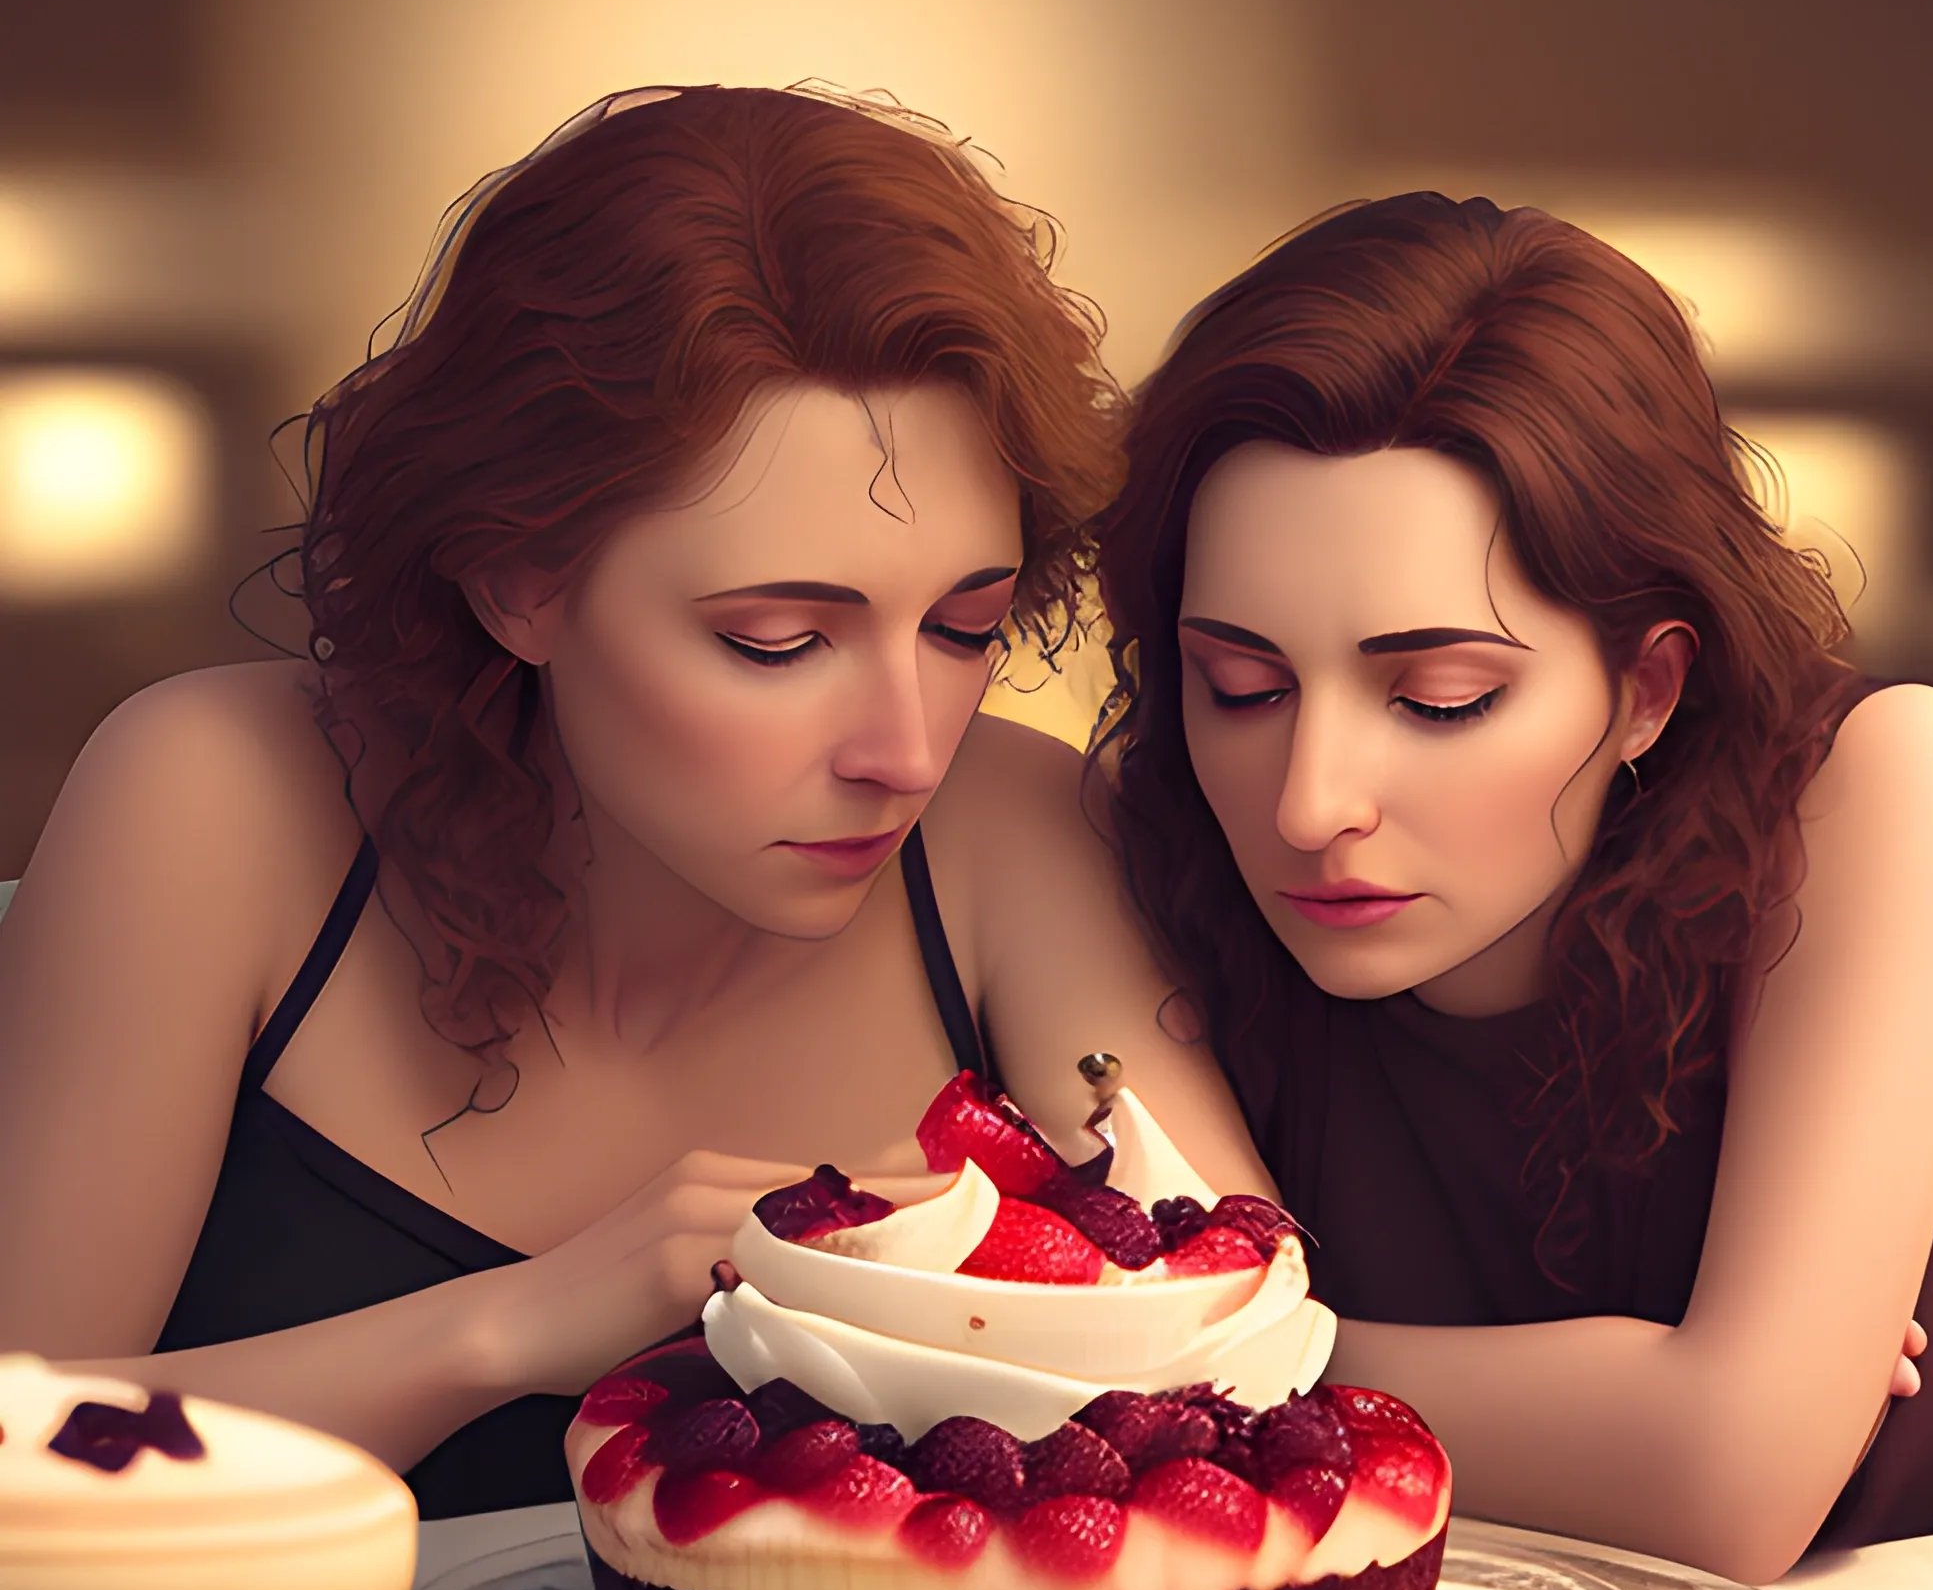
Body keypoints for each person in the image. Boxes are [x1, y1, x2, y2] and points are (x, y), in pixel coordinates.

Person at [0, 87, 1267, 1516]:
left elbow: (1244, 1365)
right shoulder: (212, 798)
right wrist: (504, 1332)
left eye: (962, 629)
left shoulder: (1020, 828)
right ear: (517, 580)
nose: (905, 751)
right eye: (776, 643)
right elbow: (9, 1442)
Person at [1092, 193, 1933, 1581]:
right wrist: (1631, 1403)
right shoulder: (1138, 854)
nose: (1308, 802)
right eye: (1240, 685)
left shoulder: (1888, 788)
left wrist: (1182, 1364)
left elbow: (1729, 1485)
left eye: (1439, 698)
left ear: (1648, 687)